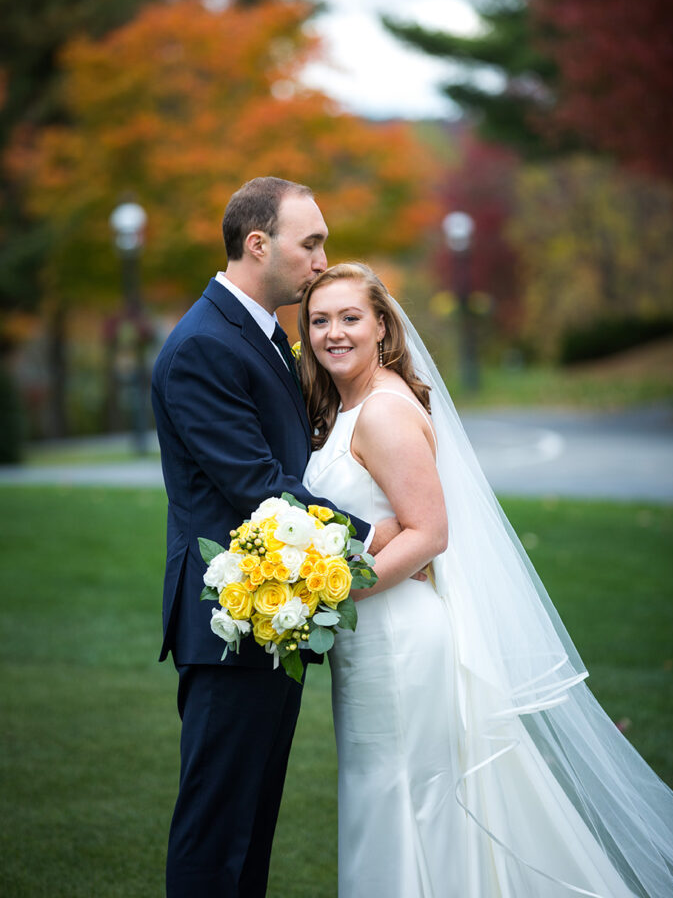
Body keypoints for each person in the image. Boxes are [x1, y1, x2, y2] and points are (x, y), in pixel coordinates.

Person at [300, 261, 673, 898]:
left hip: (398, 643)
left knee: (403, 798)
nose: (333, 333)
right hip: (369, 642)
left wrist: (330, 593)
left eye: (349, 318)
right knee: (384, 792)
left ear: (382, 327)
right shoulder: (351, 406)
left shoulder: (384, 413)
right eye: (319, 320)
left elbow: (430, 533)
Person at [151, 180, 398, 898]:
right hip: (230, 625)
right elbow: (259, 487)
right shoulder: (202, 346)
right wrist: (378, 535)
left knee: (249, 830)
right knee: (216, 831)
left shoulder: (258, 333)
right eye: (310, 242)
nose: (322, 258)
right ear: (257, 245)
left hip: (273, 618)